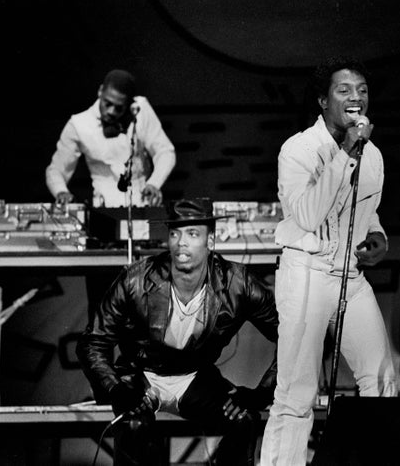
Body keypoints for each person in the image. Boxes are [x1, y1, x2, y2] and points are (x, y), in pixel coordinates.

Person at [260, 57, 398, 465]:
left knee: (380, 377)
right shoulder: (299, 149)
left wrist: (378, 237)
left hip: (349, 276)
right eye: (344, 90)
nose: (356, 97)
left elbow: (366, 209)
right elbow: (306, 215)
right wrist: (346, 153)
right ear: (323, 101)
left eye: (362, 90)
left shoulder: (373, 155)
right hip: (307, 272)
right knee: (297, 393)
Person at [76, 197, 279, 466]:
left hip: (193, 378)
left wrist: (261, 394)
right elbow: (93, 342)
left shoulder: (237, 283)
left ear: (211, 241)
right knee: (134, 426)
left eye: (193, 233)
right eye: (175, 233)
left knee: (243, 419)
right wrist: (115, 390)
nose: (181, 242)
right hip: (140, 375)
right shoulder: (136, 279)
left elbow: (293, 338)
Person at [46, 69, 175, 208]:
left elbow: (165, 151)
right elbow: (56, 169)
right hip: (104, 208)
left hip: (143, 204)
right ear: (100, 91)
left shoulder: (139, 110)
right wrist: (61, 192)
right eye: (107, 103)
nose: (111, 112)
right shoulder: (78, 124)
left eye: (119, 108)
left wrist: (154, 183)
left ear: (129, 103)